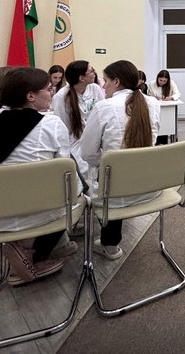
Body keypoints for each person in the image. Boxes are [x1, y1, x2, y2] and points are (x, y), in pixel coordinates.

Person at [0, 67, 76, 286]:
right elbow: (65, 173)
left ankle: (26, 248)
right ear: (31, 96)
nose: (52, 93)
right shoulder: (51, 124)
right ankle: (35, 255)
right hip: (37, 213)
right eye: (49, 89)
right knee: (79, 192)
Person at [79, 60, 160, 260]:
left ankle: (110, 245)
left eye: (105, 81)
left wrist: (106, 161)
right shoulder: (153, 104)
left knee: (107, 176)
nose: (103, 86)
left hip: (114, 194)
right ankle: (111, 242)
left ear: (116, 82)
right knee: (118, 172)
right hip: (149, 189)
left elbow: (87, 153)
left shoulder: (103, 107)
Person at [51, 60, 105, 175]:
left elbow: (102, 114)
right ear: (82, 78)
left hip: (95, 140)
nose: (94, 73)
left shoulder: (95, 88)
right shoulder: (61, 97)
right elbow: (62, 128)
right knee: (82, 172)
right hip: (74, 143)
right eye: (91, 71)